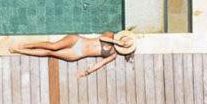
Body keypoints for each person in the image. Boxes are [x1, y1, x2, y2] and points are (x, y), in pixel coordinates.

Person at [8, 30, 136, 78]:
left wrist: (86, 72)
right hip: (77, 40)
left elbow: (100, 64)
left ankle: (19, 50)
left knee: (49, 52)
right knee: (53, 46)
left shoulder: (113, 55)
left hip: (77, 53)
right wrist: (116, 41)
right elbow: (103, 39)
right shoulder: (110, 34)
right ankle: (25, 45)